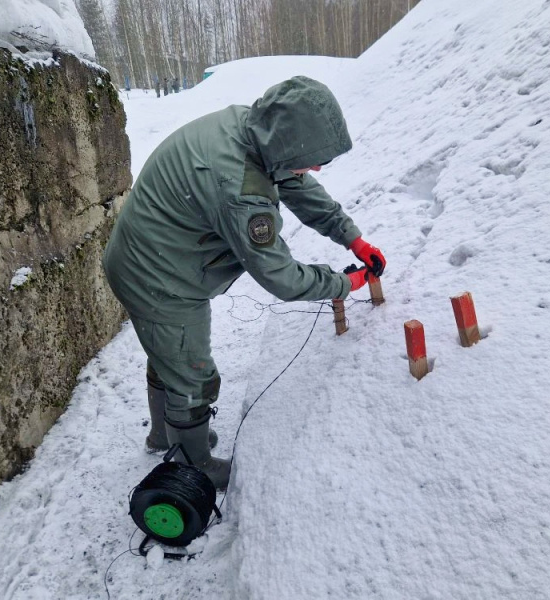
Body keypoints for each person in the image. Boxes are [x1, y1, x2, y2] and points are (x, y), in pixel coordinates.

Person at [102, 77, 386, 490]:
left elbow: (298, 184)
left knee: (169, 353)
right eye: (313, 159)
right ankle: (193, 462)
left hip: (147, 254)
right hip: (159, 278)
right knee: (191, 371)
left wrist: (350, 236)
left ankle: (166, 434)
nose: (318, 168)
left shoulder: (252, 130)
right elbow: (282, 278)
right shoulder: (239, 186)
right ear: (287, 143)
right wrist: (344, 283)